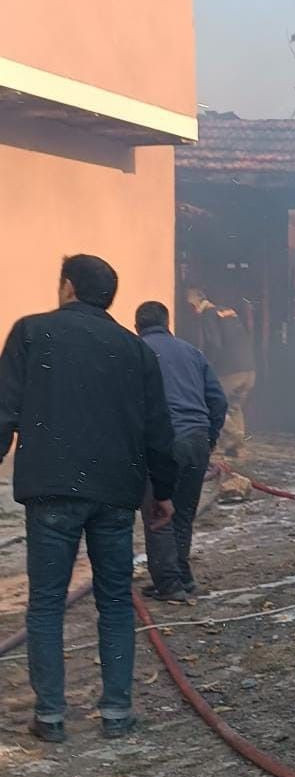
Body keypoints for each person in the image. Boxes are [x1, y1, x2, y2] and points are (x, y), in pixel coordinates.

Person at [0, 256, 178, 743]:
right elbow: (158, 428)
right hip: (115, 495)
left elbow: (4, 408)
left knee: (45, 604)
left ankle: (51, 716)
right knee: (117, 601)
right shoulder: (135, 349)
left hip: (51, 491)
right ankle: (117, 712)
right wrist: (161, 492)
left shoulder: (31, 333)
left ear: (68, 286)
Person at [135, 301, 227, 603]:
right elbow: (219, 401)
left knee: (159, 511)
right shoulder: (192, 353)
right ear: (167, 323)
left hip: (162, 444)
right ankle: (181, 576)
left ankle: (170, 583)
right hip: (196, 441)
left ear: (137, 326)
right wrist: (209, 437)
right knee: (183, 513)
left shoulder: (136, 352)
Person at [185, 287, 254, 459]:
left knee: (214, 404)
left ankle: (236, 437)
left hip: (229, 370)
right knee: (234, 407)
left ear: (197, 303)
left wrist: (206, 366)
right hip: (249, 369)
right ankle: (237, 449)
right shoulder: (227, 311)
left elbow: (214, 343)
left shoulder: (208, 315)